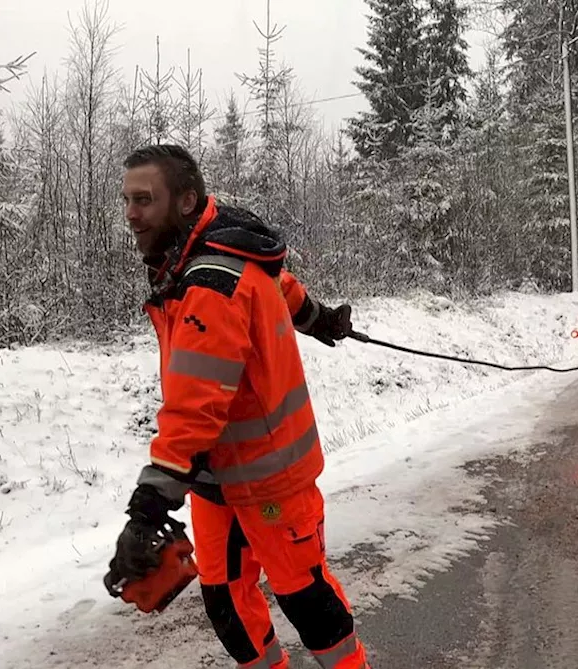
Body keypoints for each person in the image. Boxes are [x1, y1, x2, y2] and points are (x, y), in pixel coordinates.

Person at [103, 143, 370, 669]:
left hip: (270, 477)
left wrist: (148, 507)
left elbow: (195, 405)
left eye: (144, 200)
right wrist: (316, 317)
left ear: (184, 202)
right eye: (127, 200)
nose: (131, 214)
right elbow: (279, 282)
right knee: (226, 600)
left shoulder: (209, 284)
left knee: (306, 600)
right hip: (215, 478)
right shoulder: (211, 244)